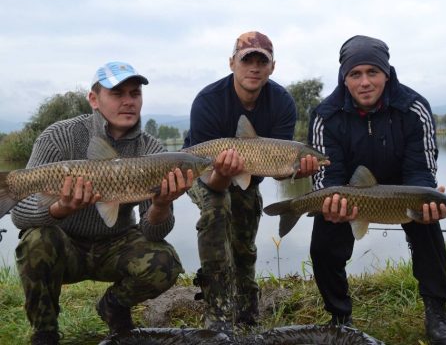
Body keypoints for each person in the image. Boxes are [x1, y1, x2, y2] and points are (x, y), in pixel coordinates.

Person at [11, 61, 191, 345]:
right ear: (94, 99)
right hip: (65, 243)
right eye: (118, 94)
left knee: (164, 261)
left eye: (135, 93)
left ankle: (114, 307)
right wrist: (60, 208)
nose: (129, 101)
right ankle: (45, 332)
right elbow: (20, 216)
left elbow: (153, 233)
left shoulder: (152, 150)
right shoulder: (59, 136)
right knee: (35, 241)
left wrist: (160, 205)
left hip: (115, 243)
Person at [308, 35, 446, 344]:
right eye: (355, 74)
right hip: (349, 190)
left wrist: (424, 196)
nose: (365, 82)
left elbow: (421, 170)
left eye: (372, 72)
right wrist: (332, 201)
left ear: (386, 74)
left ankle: (437, 311)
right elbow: (327, 177)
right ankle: (340, 316)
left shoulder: (414, 107)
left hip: (403, 187)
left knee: (428, 224)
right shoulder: (326, 116)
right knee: (323, 241)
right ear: (344, 78)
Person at [183, 31, 319, 332]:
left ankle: (246, 305)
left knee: (244, 237)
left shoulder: (282, 102)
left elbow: (278, 167)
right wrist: (222, 173)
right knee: (216, 212)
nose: (254, 67)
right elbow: (214, 183)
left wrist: (298, 170)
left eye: (262, 61)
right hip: (200, 169)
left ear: (272, 67)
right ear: (232, 63)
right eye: (247, 60)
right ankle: (217, 308)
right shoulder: (208, 101)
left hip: (249, 174)